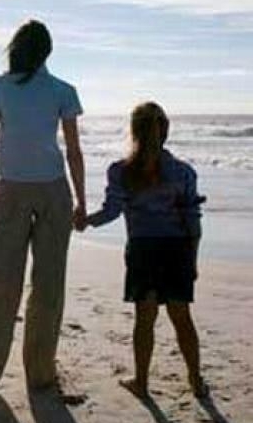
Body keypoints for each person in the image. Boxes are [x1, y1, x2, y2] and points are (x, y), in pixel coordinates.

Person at [0, 19, 86, 391]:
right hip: (53, 191)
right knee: (49, 284)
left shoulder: (0, 87)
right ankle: (40, 373)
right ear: (47, 52)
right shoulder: (62, 90)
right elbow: (73, 152)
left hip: (12, 190)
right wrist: (81, 200)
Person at [82, 101, 207, 398]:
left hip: (143, 250)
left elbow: (111, 211)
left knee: (145, 319)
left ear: (134, 132)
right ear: (166, 131)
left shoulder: (121, 171)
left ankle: (141, 382)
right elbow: (193, 223)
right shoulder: (184, 172)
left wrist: (86, 221)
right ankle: (195, 380)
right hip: (177, 249)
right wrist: (193, 259)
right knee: (182, 318)